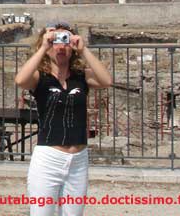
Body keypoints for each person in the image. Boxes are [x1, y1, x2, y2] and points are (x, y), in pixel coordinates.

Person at [15, 22, 112, 216]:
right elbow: (20, 80)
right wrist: (43, 47)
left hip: (78, 159)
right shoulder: (40, 78)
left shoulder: (81, 77)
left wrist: (84, 51)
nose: (60, 47)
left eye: (65, 41)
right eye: (55, 41)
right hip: (49, 158)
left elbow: (106, 81)